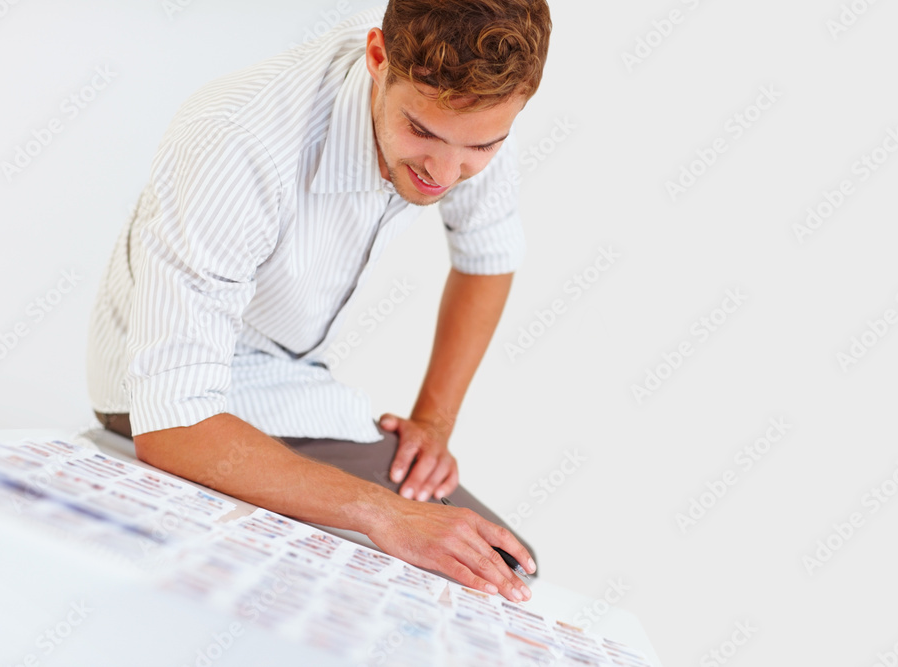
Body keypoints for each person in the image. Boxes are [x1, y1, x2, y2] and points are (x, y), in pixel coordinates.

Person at [87, 0, 551, 603]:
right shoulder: (238, 140)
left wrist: (434, 425)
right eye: (421, 132)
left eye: (481, 148)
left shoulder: (475, 110)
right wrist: (384, 514)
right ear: (378, 57)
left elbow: (487, 255)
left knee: (504, 566)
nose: (445, 170)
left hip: (292, 382)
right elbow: (172, 421)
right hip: (159, 393)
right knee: (470, 574)